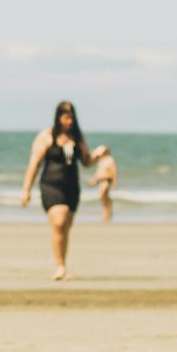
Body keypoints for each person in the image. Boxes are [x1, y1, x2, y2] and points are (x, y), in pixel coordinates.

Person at [20, 101, 95, 280]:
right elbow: (34, 163)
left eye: (72, 117)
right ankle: (60, 267)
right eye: (66, 117)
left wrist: (98, 155)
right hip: (51, 185)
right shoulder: (47, 136)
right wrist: (26, 190)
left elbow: (86, 162)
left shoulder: (77, 138)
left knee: (65, 228)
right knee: (59, 222)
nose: (69, 121)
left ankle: (61, 264)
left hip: (71, 187)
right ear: (59, 117)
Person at [87, 144, 118, 222]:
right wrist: (93, 181)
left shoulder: (109, 159)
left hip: (106, 181)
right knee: (104, 199)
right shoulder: (101, 160)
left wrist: (115, 182)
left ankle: (108, 215)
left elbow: (114, 171)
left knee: (104, 197)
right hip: (101, 181)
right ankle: (106, 215)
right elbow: (98, 173)